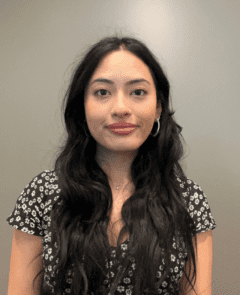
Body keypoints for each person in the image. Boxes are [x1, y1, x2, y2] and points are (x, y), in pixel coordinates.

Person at [6, 35, 217, 295]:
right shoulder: (42, 193)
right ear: (82, 106)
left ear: (158, 108)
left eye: (138, 92)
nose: (120, 108)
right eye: (102, 92)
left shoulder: (189, 200)